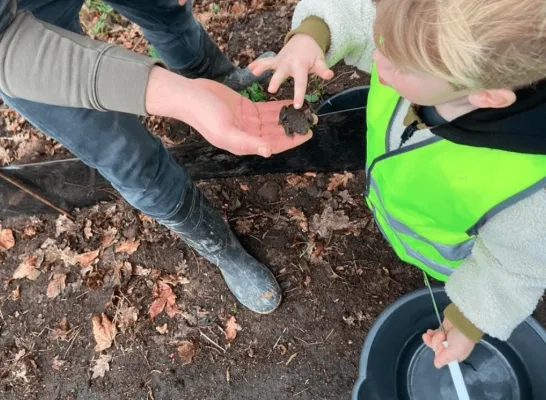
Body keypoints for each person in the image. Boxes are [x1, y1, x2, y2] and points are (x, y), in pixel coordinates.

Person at [250, 0, 546, 367]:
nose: (377, 58)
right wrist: (312, 36)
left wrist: (469, 319)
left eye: (398, 62)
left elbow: (514, 267)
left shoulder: (534, 192)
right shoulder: (420, 46)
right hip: (393, 198)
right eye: (382, 39)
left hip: (442, 256)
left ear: (485, 96)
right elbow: (362, 14)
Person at [0, 0, 314, 314]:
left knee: (167, 13)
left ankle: (221, 83)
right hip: (14, 38)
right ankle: (223, 250)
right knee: (122, 152)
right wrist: (182, 98)